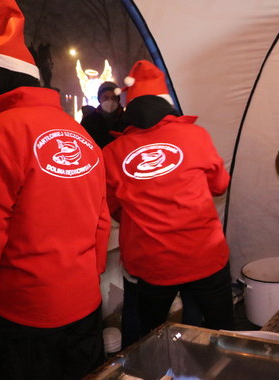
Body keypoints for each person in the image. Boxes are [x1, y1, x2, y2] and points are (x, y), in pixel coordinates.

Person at [0, 0, 111, 378]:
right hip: (84, 307)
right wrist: (82, 281)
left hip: (24, 316)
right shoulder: (77, 132)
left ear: (1, 77)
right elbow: (101, 218)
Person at [102, 60, 235, 338]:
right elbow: (221, 185)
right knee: (223, 333)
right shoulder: (195, 135)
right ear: (166, 103)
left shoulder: (113, 152)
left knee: (152, 337)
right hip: (204, 255)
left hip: (152, 263)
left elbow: (114, 208)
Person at [81, 81, 126, 148]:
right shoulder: (88, 122)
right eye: (105, 97)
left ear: (118, 100)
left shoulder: (126, 120)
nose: (110, 101)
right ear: (99, 99)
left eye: (113, 98)